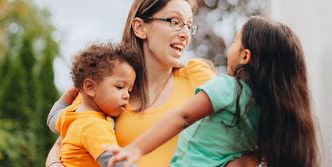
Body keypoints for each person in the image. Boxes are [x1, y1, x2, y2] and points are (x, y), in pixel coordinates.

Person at [46, 0, 259, 167]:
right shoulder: (105, 84)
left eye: (188, 26)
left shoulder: (198, 76)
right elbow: (61, 146)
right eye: (175, 22)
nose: (185, 34)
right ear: (140, 27)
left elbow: (251, 130)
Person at [104, 16, 320, 167]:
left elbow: (181, 117)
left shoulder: (227, 87)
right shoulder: (270, 113)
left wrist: (136, 149)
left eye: (235, 41)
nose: (230, 47)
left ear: (245, 56)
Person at [49, 42, 139, 167]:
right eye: (119, 87)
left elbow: (52, 118)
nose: (127, 95)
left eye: (129, 90)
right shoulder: (93, 125)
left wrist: (70, 93)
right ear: (90, 87)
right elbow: (115, 162)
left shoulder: (71, 114)